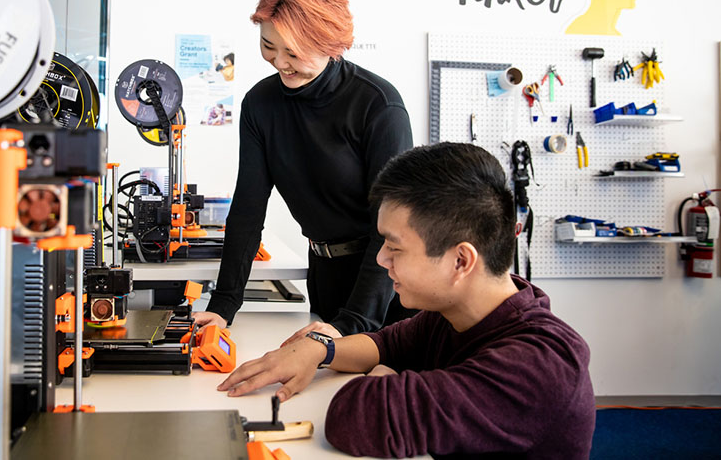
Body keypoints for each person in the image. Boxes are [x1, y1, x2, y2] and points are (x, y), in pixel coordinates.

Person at [217, 142, 596, 459]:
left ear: (460, 260)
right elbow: (387, 343)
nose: (381, 260)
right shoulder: (458, 312)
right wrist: (319, 350)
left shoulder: (539, 366)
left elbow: (355, 418)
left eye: (395, 248)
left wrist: (387, 377)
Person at [193, 0, 414, 341]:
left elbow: (391, 230)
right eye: (268, 46)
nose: (279, 63)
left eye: (292, 52)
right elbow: (248, 209)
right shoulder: (262, 104)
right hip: (323, 271)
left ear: (331, 43)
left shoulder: (377, 106)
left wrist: (352, 324)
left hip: (385, 281)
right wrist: (223, 305)